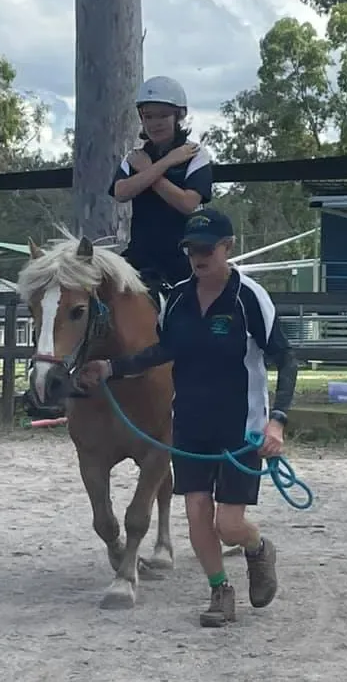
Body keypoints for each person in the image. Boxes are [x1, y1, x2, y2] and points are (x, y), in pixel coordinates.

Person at [77, 207, 297, 628]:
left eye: (206, 249)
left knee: (229, 524)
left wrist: (277, 421)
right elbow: (162, 352)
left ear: (227, 248)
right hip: (191, 424)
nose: (198, 258)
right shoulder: (178, 298)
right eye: (192, 250)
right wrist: (111, 368)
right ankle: (220, 590)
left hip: (241, 426)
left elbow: (286, 359)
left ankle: (257, 547)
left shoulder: (250, 297)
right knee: (197, 512)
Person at [109, 75, 213, 302]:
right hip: (140, 257)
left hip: (183, 257)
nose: (155, 123)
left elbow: (187, 204)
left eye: (163, 115)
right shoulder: (136, 157)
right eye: (148, 116)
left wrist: (148, 172)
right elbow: (121, 192)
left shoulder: (195, 154)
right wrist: (164, 164)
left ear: (179, 115)